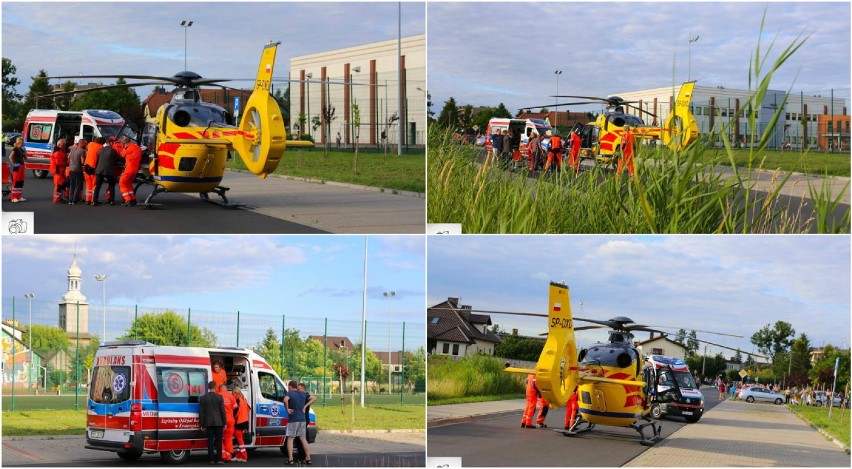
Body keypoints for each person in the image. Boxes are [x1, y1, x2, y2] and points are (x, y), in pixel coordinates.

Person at [283, 380, 316, 465]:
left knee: (290, 438)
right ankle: (308, 458)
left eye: (288, 387)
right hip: (302, 419)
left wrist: (287, 409)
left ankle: (290, 459)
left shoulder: (290, 393)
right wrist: (305, 406)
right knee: (303, 438)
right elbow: (314, 398)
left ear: (290, 386)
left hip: (293, 419)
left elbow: (285, 400)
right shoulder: (303, 393)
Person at [199, 380, 226, 465]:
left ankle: (211, 459)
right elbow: (222, 411)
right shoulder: (219, 397)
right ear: (215, 387)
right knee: (218, 441)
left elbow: (201, 412)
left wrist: (202, 424)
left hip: (208, 423)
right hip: (219, 423)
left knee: (210, 441)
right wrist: (224, 423)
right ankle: (219, 459)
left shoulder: (203, 398)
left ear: (208, 387)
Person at [92, 140, 119, 205]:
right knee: (111, 185)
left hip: (99, 170)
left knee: (98, 186)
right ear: (111, 143)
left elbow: (97, 159)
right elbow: (117, 159)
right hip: (109, 170)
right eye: (113, 143)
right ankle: (112, 200)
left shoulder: (100, 150)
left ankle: (95, 200)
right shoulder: (113, 151)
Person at [118, 136, 141, 206]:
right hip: (135, 169)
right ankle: (133, 199)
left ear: (125, 143)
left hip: (128, 169)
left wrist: (119, 148)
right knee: (128, 184)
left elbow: (122, 155)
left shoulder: (127, 148)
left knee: (122, 184)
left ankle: (128, 200)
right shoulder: (137, 147)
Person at [231, 386, 250, 463]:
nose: (232, 395)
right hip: (244, 422)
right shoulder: (244, 399)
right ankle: (238, 456)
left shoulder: (237, 400)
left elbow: (235, 412)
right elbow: (248, 409)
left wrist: (233, 417)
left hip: (238, 422)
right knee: (239, 440)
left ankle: (244, 456)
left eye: (233, 393)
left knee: (240, 441)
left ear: (236, 393)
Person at [217, 384, 236, 462]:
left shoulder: (217, 396)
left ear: (220, 389)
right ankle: (229, 456)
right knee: (228, 439)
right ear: (226, 389)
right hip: (230, 420)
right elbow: (235, 408)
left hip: (221, 421)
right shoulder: (231, 396)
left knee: (220, 439)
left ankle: (223, 455)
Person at [84, 137, 104, 204]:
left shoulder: (90, 144)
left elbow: (86, 150)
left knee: (88, 184)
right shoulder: (101, 147)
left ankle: (88, 200)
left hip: (86, 166)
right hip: (94, 167)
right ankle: (93, 200)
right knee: (94, 184)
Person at [67, 139, 87, 204]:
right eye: (85, 144)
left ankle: (70, 200)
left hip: (71, 169)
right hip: (78, 170)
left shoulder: (73, 149)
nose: (86, 145)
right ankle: (74, 200)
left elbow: (68, 157)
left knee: (72, 185)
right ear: (82, 143)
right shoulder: (82, 151)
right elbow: (82, 162)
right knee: (78, 185)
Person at [50, 139, 68, 203]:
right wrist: (66, 163)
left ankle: (60, 197)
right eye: (63, 145)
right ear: (59, 145)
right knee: (58, 185)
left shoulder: (61, 150)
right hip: (58, 171)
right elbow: (58, 163)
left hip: (61, 171)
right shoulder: (57, 152)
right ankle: (57, 199)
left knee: (61, 185)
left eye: (65, 145)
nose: (64, 146)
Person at [9, 138, 27, 202]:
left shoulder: (22, 149)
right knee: (16, 181)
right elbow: (10, 157)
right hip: (17, 166)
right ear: (19, 142)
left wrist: (25, 153)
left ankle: (19, 196)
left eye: (23, 142)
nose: (23, 143)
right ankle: (13, 197)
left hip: (22, 166)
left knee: (20, 182)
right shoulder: (15, 149)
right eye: (22, 142)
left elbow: (25, 159)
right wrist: (14, 164)